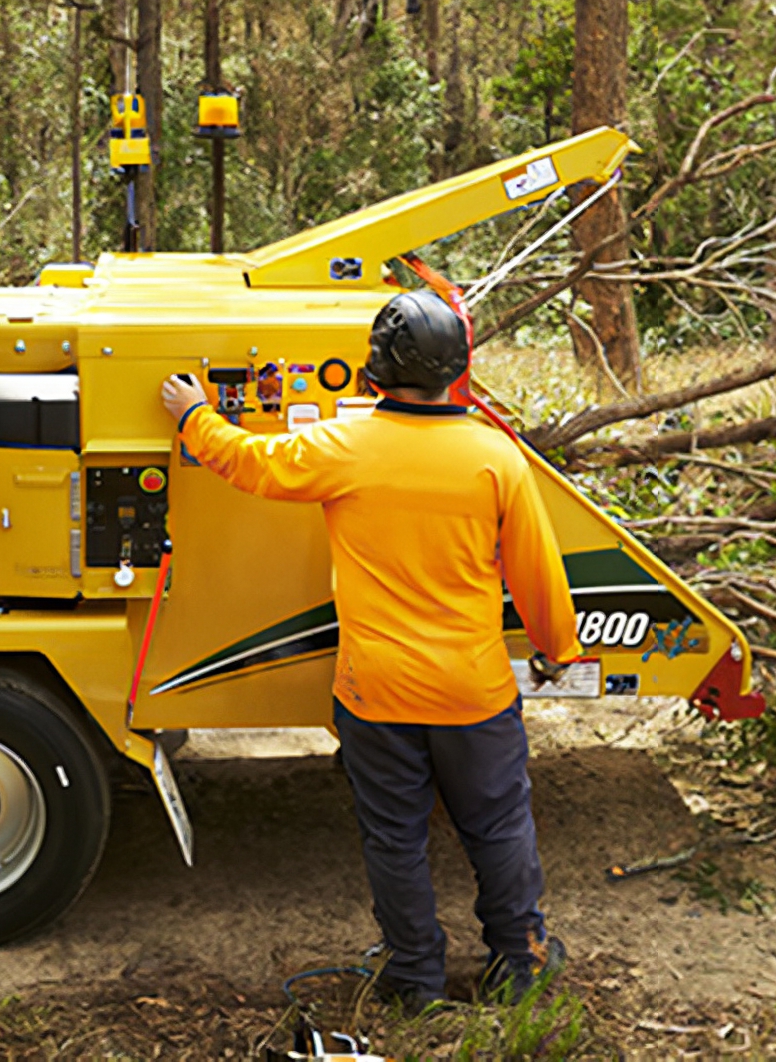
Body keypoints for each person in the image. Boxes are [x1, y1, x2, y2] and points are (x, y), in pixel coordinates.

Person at [159, 289, 578, 1011]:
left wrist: (195, 413)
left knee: (395, 838)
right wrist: (557, 649)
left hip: (376, 692)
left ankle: (414, 978)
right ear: (458, 367)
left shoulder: (343, 445)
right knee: (499, 826)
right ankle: (519, 960)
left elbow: (251, 463)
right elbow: (538, 570)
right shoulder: (494, 458)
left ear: (377, 369)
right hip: (471, 691)